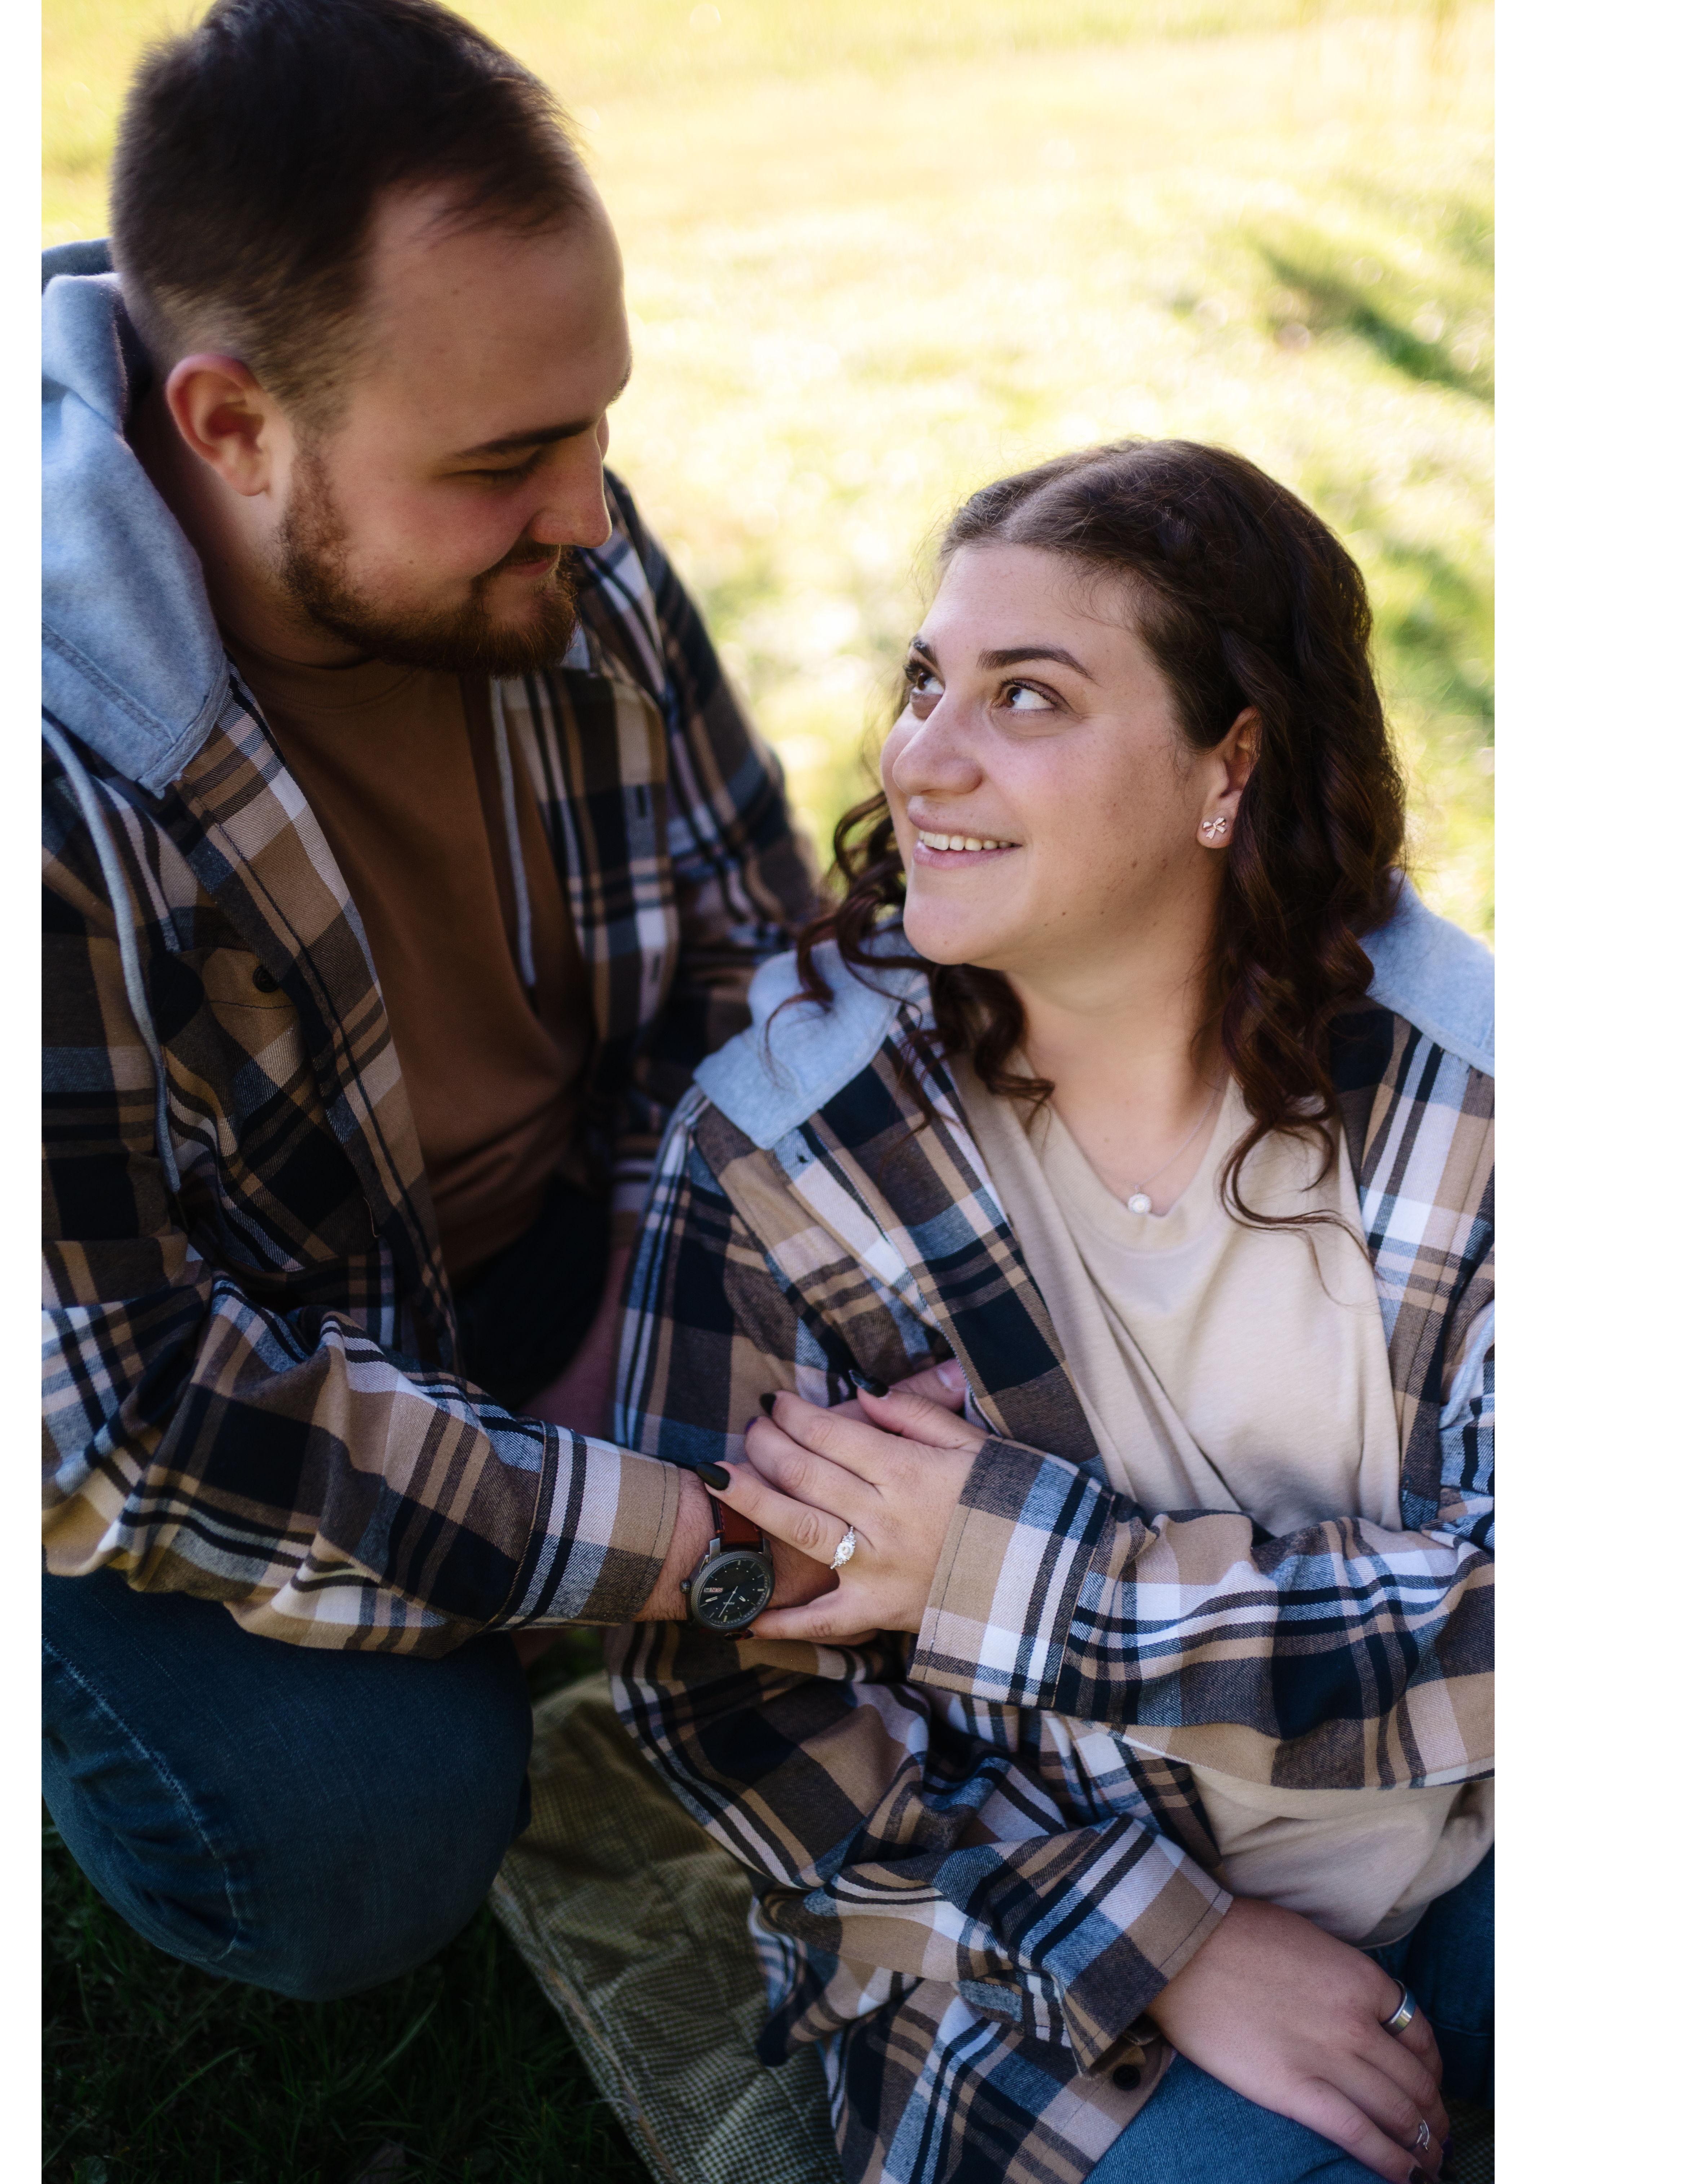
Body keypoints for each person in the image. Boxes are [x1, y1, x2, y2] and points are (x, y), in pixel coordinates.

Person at [41, 0, 822, 2002]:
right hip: (154, 1399)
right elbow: (127, 1415)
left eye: (597, 425)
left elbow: (751, 947)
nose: (592, 516)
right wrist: (680, 1540)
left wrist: (656, 1315)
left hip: (562, 1258)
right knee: (355, 1820)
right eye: (505, 462)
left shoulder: (550, 532)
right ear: (230, 426)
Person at [609, 439, 1494, 2184]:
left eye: (1027, 696)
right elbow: (727, 1696)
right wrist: (1169, 1942)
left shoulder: (1486, 1101)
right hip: (1044, 1958)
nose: (922, 756)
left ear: (1230, 767)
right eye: (926, 682)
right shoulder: (790, 1148)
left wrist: (1000, 1570)